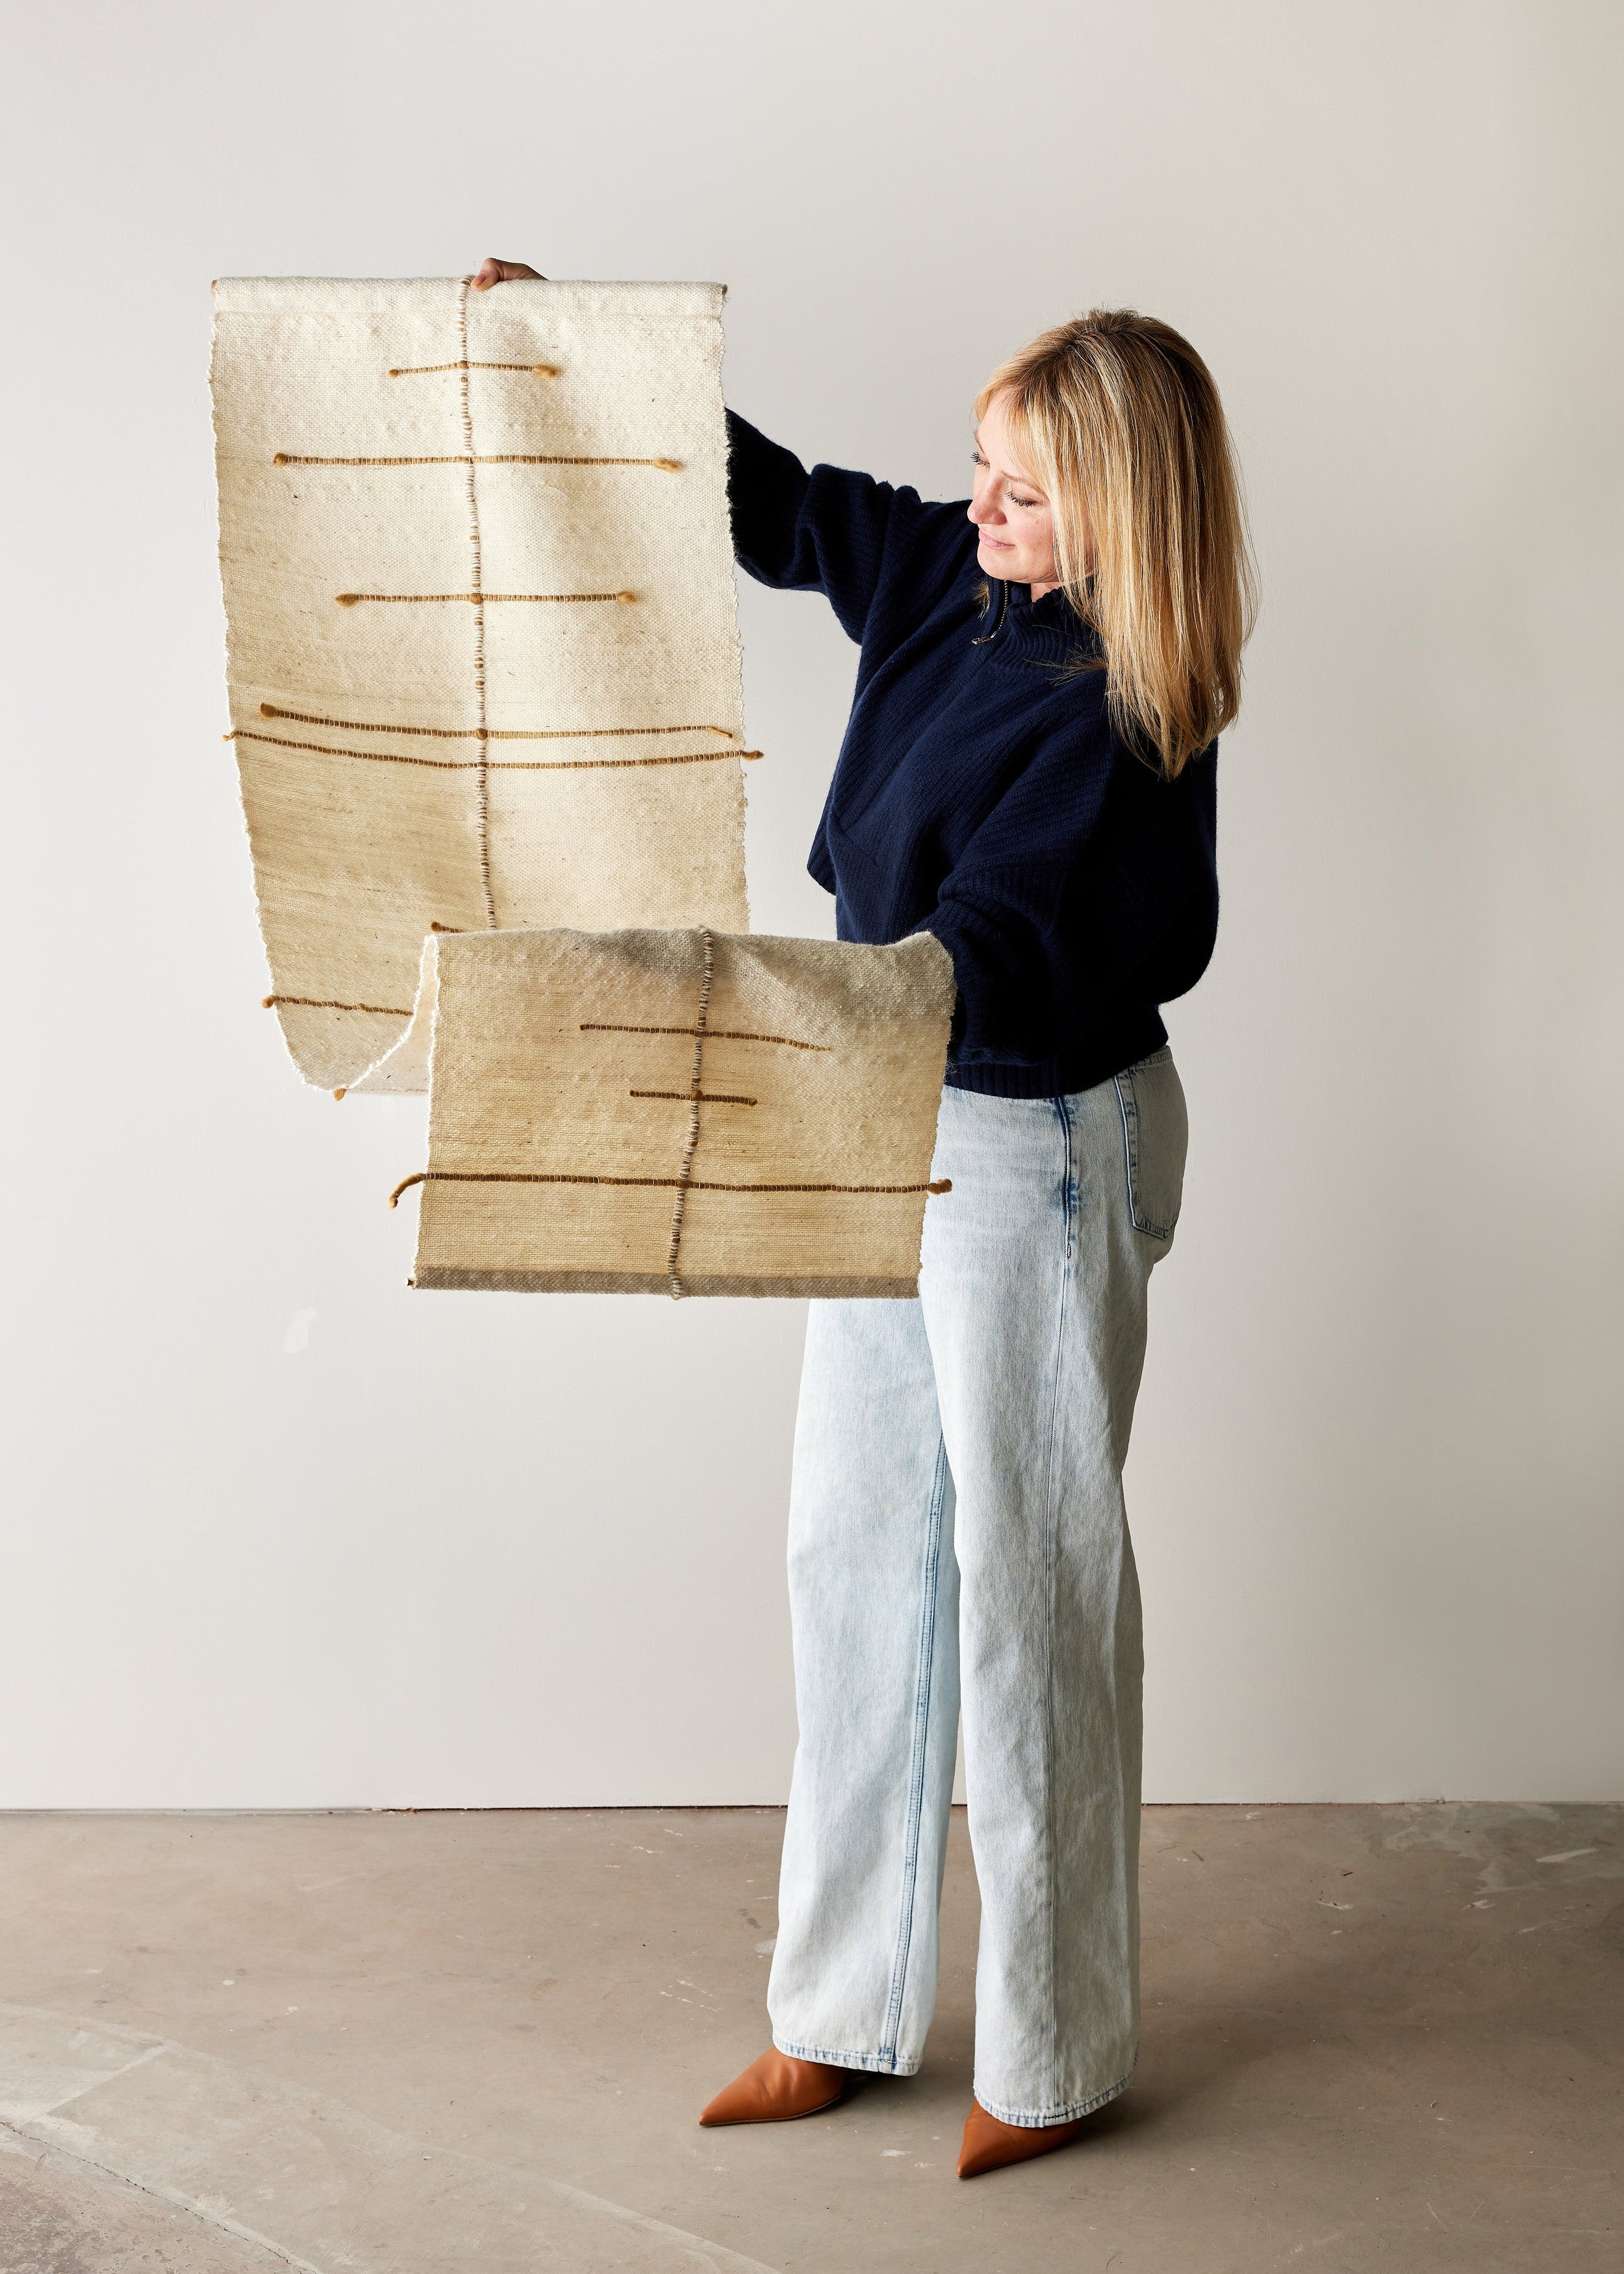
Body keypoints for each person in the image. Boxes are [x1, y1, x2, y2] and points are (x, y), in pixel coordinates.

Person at [475, 258, 1256, 2179]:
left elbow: (990, 940)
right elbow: (772, 503)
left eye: (1022, 491)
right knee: (852, 1554)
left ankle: (1054, 2055)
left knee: (1032, 1587)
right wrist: (577, 347)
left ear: (1121, 513)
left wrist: (783, 1010)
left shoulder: (1127, 711)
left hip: (1031, 1140)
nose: (975, 508)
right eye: (977, 466)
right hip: (883, 1101)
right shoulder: (948, 574)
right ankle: (835, 2011)